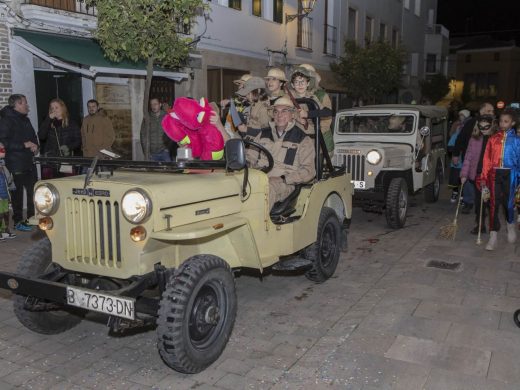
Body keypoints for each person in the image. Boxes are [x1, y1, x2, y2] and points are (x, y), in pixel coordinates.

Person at [232, 96, 316, 209]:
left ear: (292, 115)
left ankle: (259, 225)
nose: (279, 115)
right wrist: (244, 166)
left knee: (266, 189)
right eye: (276, 111)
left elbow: (309, 171)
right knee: (233, 184)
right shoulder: (262, 134)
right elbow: (250, 157)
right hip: (260, 176)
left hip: (284, 182)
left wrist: (283, 178)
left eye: (284, 111)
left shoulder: (303, 139)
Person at [480, 109, 520, 251]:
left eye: (506, 121)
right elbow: (486, 159)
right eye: (501, 121)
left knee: (508, 204)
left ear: (513, 123)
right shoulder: (492, 139)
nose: (502, 124)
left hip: (511, 175)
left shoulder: (517, 140)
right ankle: (493, 234)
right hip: (494, 175)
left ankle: (510, 225)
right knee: (493, 205)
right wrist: (484, 176)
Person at [0, 94, 39, 232]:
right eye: (25, 103)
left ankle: (31, 218)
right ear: (17, 104)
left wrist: (35, 146)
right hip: (15, 163)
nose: (27, 106)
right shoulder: (6, 120)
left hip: (29, 162)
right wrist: (24, 144)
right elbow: (4, 142)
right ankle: (17, 221)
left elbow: (34, 137)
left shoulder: (26, 120)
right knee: (17, 196)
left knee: (33, 192)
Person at [453, 103, 495, 213]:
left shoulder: (494, 126)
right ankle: (468, 202)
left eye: (492, 111)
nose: (492, 113)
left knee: (485, 183)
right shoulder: (471, 123)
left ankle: (484, 203)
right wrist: (456, 154)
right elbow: (460, 138)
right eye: (489, 111)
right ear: (481, 111)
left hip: (486, 162)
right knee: (468, 181)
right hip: (470, 158)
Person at [460, 115, 497, 235]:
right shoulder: (474, 139)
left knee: (490, 202)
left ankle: (493, 227)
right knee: (479, 203)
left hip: (491, 177)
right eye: (481, 127)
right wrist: (464, 174)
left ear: (492, 125)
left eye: (486, 126)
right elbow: (468, 157)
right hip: (477, 176)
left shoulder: (496, 139)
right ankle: (480, 225)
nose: (483, 129)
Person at [288, 66, 334, 153]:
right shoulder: (288, 97)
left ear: (308, 83)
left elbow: (327, 112)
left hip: (311, 137)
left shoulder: (313, 97)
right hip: (293, 137)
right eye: (297, 82)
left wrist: (307, 114)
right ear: (292, 85)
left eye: (303, 81)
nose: (300, 85)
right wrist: (296, 117)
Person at [38, 98, 81, 178]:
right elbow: (41, 136)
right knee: (50, 186)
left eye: (56, 107)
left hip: (66, 160)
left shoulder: (72, 123)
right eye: (52, 108)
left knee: (65, 185)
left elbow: (78, 141)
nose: (54, 110)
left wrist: (68, 147)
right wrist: (48, 119)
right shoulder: (48, 123)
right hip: (50, 161)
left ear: (62, 108)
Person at [447, 109, 471, 203]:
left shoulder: (469, 132)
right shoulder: (456, 133)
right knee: (455, 179)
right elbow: (450, 145)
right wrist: (456, 150)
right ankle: (455, 193)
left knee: (464, 180)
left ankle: (463, 196)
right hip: (457, 163)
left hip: (465, 162)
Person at [0, 142, 16, 240]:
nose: (3, 150)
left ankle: (5, 230)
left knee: (6, 212)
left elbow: (8, 179)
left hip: (5, 194)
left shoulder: (3, 165)